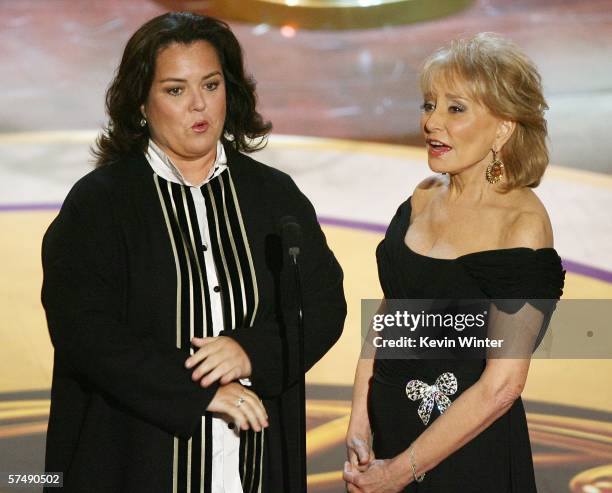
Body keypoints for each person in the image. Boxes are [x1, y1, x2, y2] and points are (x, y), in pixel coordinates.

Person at [41, 12, 346, 493]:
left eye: (211, 84)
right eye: (175, 90)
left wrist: (251, 352)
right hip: (134, 459)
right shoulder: (100, 203)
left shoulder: (275, 196)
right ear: (141, 102)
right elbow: (83, 329)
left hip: (253, 464)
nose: (199, 105)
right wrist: (196, 393)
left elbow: (323, 305)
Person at [344, 33, 565, 493]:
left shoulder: (521, 229)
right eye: (429, 105)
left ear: (503, 127)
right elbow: (392, 316)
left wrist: (400, 472)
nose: (432, 123)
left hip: (463, 460)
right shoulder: (422, 199)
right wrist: (359, 415)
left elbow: (502, 386)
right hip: (386, 440)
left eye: (455, 109)